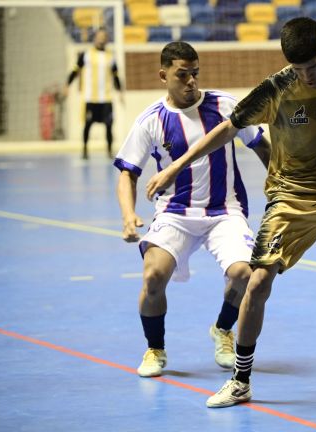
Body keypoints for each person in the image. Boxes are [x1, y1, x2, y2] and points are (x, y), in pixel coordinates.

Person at [145, 18, 316, 407]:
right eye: (297, 69)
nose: (305, 76)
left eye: (310, 67)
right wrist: (176, 166)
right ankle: (241, 380)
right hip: (291, 197)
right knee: (257, 283)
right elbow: (227, 129)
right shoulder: (277, 88)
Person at [114, 41, 271, 378]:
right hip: (175, 213)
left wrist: (278, 179)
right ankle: (155, 348)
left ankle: (222, 330)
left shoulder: (225, 105)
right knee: (153, 275)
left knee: (245, 275)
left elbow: (260, 143)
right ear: (163, 75)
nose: (191, 82)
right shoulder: (151, 121)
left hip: (224, 210)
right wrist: (128, 216)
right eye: (182, 75)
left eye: (195, 74)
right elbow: (127, 173)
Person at [64, 28, 123, 159]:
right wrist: (67, 85)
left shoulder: (110, 56)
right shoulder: (86, 55)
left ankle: (109, 151)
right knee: (87, 125)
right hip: (90, 98)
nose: (102, 38)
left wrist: (120, 92)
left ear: (106, 39)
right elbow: (75, 70)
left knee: (109, 125)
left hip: (106, 98)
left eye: (104, 36)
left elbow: (116, 75)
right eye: (99, 36)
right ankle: (84, 150)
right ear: (95, 38)